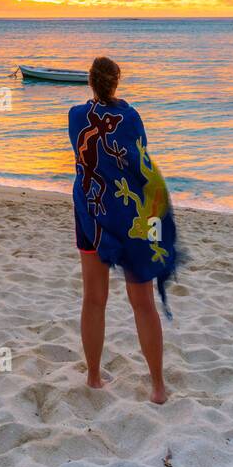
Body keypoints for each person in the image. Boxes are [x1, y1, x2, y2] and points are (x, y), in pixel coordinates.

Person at [68, 56, 179, 403]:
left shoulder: (75, 116)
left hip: (91, 213)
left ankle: (94, 377)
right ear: (117, 81)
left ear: (90, 82)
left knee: (93, 299)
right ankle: (158, 387)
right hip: (130, 218)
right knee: (142, 302)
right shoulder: (130, 118)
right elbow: (140, 162)